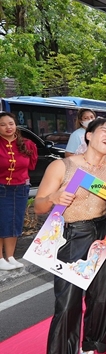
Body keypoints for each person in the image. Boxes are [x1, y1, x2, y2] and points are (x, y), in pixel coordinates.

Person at [35, 118, 106, 354]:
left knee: (100, 301)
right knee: (67, 304)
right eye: (104, 131)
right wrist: (55, 197)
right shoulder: (64, 165)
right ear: (88, 136)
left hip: (104, 237)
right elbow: (39, 207)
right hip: (74, 236)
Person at [0, 112, 37, 270]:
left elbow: (31, 166)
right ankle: (0, 258)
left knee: (15, 222)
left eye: (11, 123)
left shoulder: (27, 144)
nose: (8, 127)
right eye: (2, 125)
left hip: (20, 188)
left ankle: (10, 256)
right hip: (1, 188)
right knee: (1, 222)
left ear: (16, 125)